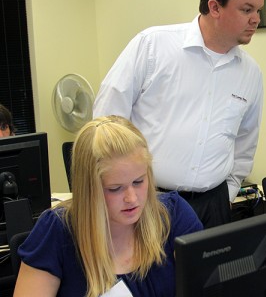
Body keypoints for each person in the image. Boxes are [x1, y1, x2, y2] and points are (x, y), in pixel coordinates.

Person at [93, 0, 266, 229]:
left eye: (258, 10)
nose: (256, 19)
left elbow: (245, 142)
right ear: (215, 8)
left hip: (214, 205)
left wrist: (227, 193)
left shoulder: (251, 73)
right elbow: (107, 121)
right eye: (247, 9)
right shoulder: (153, 45)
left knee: (210, 270)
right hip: (150, 201)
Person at [14, 115, 203, 297]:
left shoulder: (173, 215)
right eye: (115, 189)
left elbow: (208, 286)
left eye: (138, 182)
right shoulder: (57, 232)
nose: (131, 198)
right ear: (89, 189)